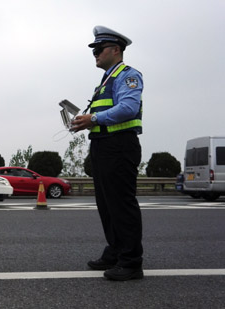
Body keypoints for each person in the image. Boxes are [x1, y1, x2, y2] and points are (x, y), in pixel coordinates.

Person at [70, 25, 144, 281]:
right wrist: (85, 122)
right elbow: (102, 114)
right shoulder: (106, 80)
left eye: (99, 49)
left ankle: (131, 262)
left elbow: (128, 108)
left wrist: (94, 118)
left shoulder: (128, 75)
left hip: (120, 145)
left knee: (121, 204)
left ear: (116, 49)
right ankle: (115, 250)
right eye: (94, 51)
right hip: (103, 145)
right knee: (106, 204)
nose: (95, 54)